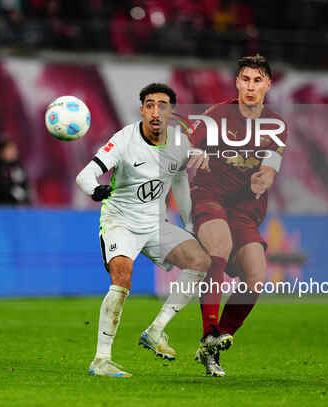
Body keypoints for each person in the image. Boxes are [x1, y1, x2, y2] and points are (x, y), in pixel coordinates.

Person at [76, 83, 211, 378]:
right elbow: (85, 174)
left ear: (171, 112)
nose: (155, 111)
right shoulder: (124, 139)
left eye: (162, 105)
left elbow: (180, 183)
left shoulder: (179, 142)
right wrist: (94, 189)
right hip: (120, 221)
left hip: (155, 224)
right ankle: (101, 359)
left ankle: (156, 331)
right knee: (122, 278)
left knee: (200, 262)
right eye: (149, 105)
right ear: (142, 110)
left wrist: (189, 225)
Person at [189, 55, 288, 376]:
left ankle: (214, 348)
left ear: (268, 85)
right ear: (236, 83)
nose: (250, 86)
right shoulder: (216, 115)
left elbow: (272, 166)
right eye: (245, 79)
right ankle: (209, 331)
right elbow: (186, 145)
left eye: (257, 80)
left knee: (256, 277)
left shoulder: (276, 126)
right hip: (210, 197)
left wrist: (265, 176)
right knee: (218, 247)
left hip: (245, 210)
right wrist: (195, 152)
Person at [0, 139, 31, 206]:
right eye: (10, 149)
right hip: (2, 208)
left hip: (19, 208)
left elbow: (24, 185)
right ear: (1, 152)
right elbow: (0, 189)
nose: (14, 152)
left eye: (14, 149)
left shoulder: (18, 167)